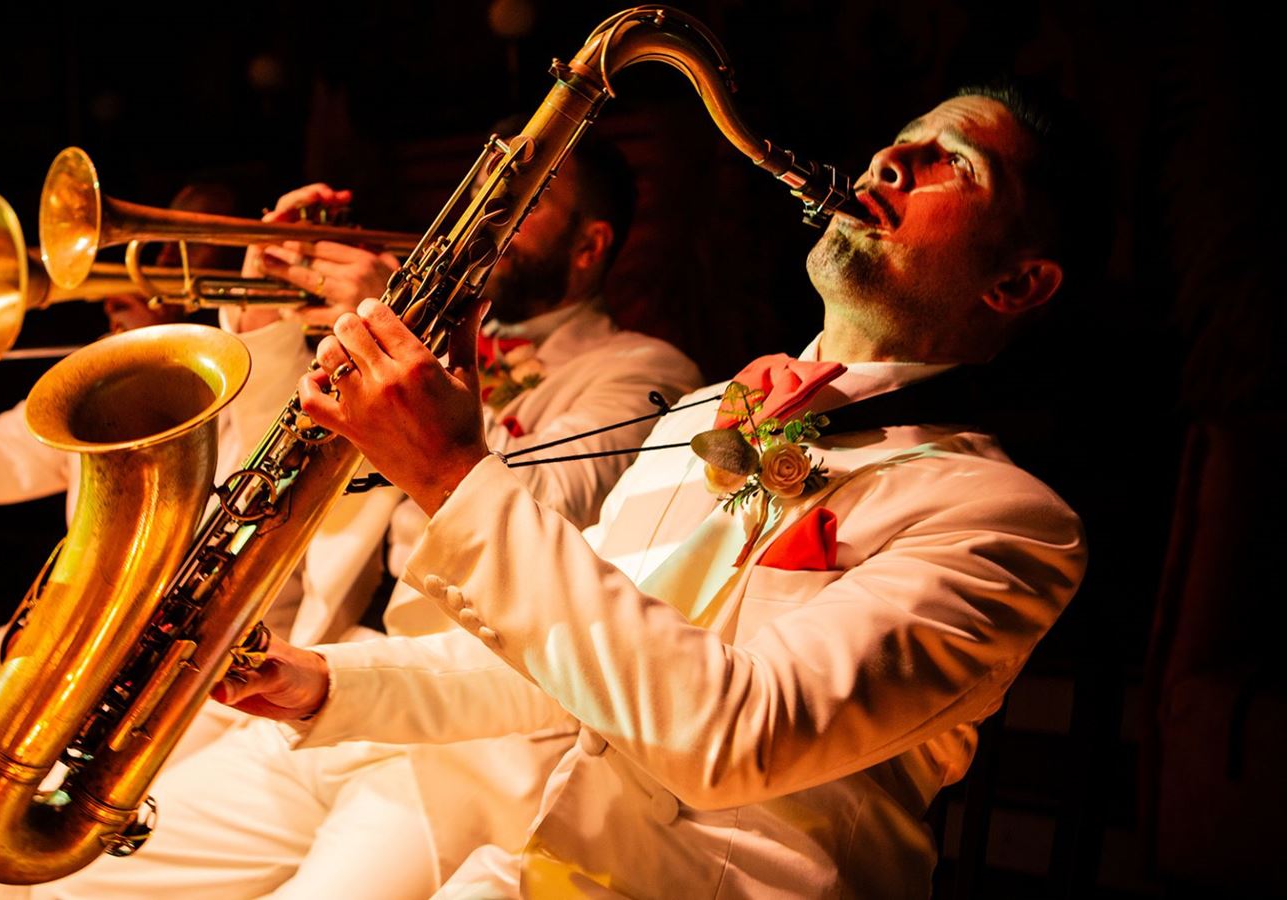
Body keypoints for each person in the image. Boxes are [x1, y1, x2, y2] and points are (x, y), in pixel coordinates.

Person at [215, 83, 1099, 898]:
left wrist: (452, 473)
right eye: (902, 143)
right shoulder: (708, 412)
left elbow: (739, 734)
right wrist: (323, 683)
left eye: (956, 164)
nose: (889, 164)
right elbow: (553, 665)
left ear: (1018, 284)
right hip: (537, 860)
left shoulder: (1007, 519)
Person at [0, 133, 703, 899]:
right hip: (336, 678)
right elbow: (269, 479)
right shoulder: (413, 339)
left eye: (525, 202)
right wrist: (264, 313)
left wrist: (421, 339)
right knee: (68, 882)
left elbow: (532, 524)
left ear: (589, 249)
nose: (489, 223)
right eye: (484, 198)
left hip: (473, 734)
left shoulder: (635, 369)